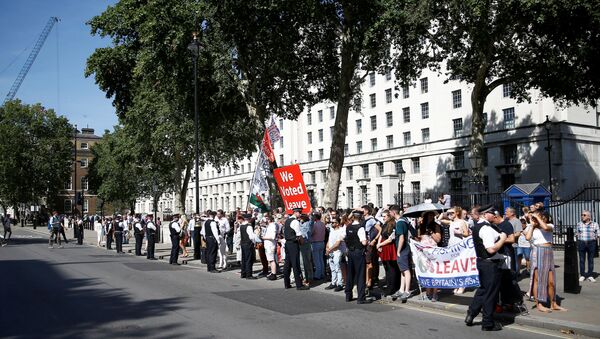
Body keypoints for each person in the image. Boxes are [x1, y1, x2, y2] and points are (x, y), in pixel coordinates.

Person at [465, 205, 507, 331]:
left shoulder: (480, 226)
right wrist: (503, 239)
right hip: (490, 264)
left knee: (483, 290)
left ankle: (471, 314)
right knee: (490, 294)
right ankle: (488, 323)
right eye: (491, 213)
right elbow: (491, 249)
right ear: (484, 214)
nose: (494, 215)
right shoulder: (486, 229)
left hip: (483, 263)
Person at [526, 211, 566, 312]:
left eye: (542, 217)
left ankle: (553, 303)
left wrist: (537, 217)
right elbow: (527, 237)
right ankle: (538, 303)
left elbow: (545, 228)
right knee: (537, 280)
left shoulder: (549, 225)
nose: (540, 219)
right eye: (540, 217)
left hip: (548, 252)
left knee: (551, 281)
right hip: (538, 251)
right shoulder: (534, 228)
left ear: (547, 218)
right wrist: (532, 225)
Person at [344, 210, 370, 304]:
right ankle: (361, 298)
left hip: (350, 252)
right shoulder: (360, 228)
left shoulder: (348, 227)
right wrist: (367, 241)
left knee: (350, 274)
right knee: (360, 275)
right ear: (361, 217)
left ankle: (348, 295)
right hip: (358, 252)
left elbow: (344, 238)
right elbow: (363, 242)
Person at [416, 211, 442, 301]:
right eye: (429, 215)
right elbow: (418, 238)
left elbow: (438, 239)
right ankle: (427, 292)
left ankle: (435, 293)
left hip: (433, 252)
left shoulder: (436, 226)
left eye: (432, 215)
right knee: (426, 271)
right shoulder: (422, 226)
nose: (431, 217)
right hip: (423, 252)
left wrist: (431, 232)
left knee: (434, 272)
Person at [283, 208, 309, 290]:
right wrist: (302, 243)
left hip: (288, 243)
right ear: (295, 212)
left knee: (287, 264)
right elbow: (299, 235)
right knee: (296, 264)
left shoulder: (287, 220)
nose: (300, 214)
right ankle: (299, 285)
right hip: (293, 244)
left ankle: (286, 283)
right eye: (299, 212)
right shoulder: (295, 222)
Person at [390, 205, 411, 302]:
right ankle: (401, 289)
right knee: (402, 270)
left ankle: (407, 291)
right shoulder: (404, 220)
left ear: (394, 212)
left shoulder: (400, 223)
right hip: (404, 249)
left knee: (406, 270)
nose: (390, 214)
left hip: (403, 250)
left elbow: (401, 237)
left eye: (390, 212)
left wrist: (398, 251)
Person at [376, 210, 400, 297]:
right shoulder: (384, 224)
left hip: (390, 247)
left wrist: (380, 244)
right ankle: (389, 286)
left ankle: (392, 288)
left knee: (391, 269)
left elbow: (390, 239)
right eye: (383, 216)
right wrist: (379, 245)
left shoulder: (393, 224)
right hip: (384, 247)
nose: (383, 218)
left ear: (389, 216)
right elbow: (381, 235)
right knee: (387, 268)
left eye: (385, 216)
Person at [362, 205, 381, 294]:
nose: (361, 211)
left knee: (369, 263)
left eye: (363, 210)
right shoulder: (362, 219)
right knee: (365, 263)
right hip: (363, 243)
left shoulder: (371, 219)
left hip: (369, 243)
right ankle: (367, 280)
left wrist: (375, 240)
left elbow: (380, 229)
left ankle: (369, 281)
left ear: (367, 211)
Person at [576, 210, 598, 282]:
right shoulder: (579, 224)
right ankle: (582, 275)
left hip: (591, 243)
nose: (582, 216)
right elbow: (577, 233)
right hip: (581, 243)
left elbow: (598, 233)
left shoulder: (595, 224)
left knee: (590, 260)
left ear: (589, 216)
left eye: (584, 215)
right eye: (581, 215)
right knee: (582, 260)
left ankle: (590, 275)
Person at [325, 216, 345, 292]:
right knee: (332, 268)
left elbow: (337, 243)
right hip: (331, 252)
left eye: (333, 222)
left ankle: (339, 284)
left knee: (338, 268)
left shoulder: (341, 231)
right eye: (331, 222)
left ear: (337, 223)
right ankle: (333, 283)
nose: (331, 224)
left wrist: (329, 249)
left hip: (337, 251)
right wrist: (327, 247)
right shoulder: (331, 230)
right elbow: (329, 240)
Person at [240, 213, 259, 279]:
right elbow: (251, 236)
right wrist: (254, 242)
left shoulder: (241, 225)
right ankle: (249, 274)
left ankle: (243, 273)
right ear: (249, 219)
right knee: (249, 259)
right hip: (248, 244)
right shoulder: (249, 226)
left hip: (243, 243)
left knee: (244, 258)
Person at [310, 212, 327, 281]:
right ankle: (322, 273)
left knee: (317, 260)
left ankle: (318, 275)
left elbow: (311, 233)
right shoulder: (322, 224)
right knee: (321, 259)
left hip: (316, 243)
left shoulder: (315, 224)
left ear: (315, 217)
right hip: (322, 242)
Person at [262, 214, 279, 280]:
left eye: (266, 218)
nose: (265, 220)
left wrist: (264, 238)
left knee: (271, 260)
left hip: (270, 245)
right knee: (270, 259)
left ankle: (274, 274)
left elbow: (272, 237)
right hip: (268, 245)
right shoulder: (269, 226)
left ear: (269, 220)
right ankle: (272, 272)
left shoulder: (272, 226)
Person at [299, 214, 314, 285]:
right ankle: (305, 277)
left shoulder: (308, 223)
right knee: (302, 262)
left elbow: (311, 221)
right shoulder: (299, 223)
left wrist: (310, 214)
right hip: (300, 244)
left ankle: (310, 277)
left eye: (301, 217)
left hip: (307, 244)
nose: (299, 219)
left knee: (307, 261)